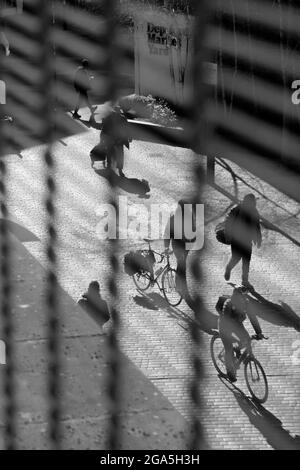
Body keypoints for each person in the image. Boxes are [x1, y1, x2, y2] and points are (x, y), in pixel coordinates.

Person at [216, 286, 264, 382]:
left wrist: (259, 332)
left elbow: (252, 317)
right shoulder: (228, 304)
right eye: (243, 296)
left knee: (246, 340)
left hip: (237, 324)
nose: (245, 298)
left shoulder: (246, 303)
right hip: (225, 326)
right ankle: (230, 372)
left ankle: (237, 349)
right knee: (229, 349)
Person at [224, 193, 262, 288]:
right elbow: (229, 221)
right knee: (236, 258)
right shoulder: (237, 209)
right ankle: (229, 268)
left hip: (247, 240)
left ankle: (245, 280)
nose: (254, 203)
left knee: (246, 260)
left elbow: (257, 225)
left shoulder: (254, 211)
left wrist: (258, 238)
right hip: (236, 239)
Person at [164, 199, 196, 298]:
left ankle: (180, 284)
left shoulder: (189, 216)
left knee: (182, 264)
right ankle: (181, 286)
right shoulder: (174, 218)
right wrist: (166, 247)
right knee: (182, 263)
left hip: (186, 245)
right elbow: (167, 233)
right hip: (178, 245)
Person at [101, 105, 130, 177]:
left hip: (115, 139)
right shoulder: (121, 119)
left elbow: (104, 129)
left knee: (112, 153)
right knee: (116, 154)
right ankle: (117, 169)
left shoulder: (111, 118)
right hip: (115, 139)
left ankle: (115, 168)